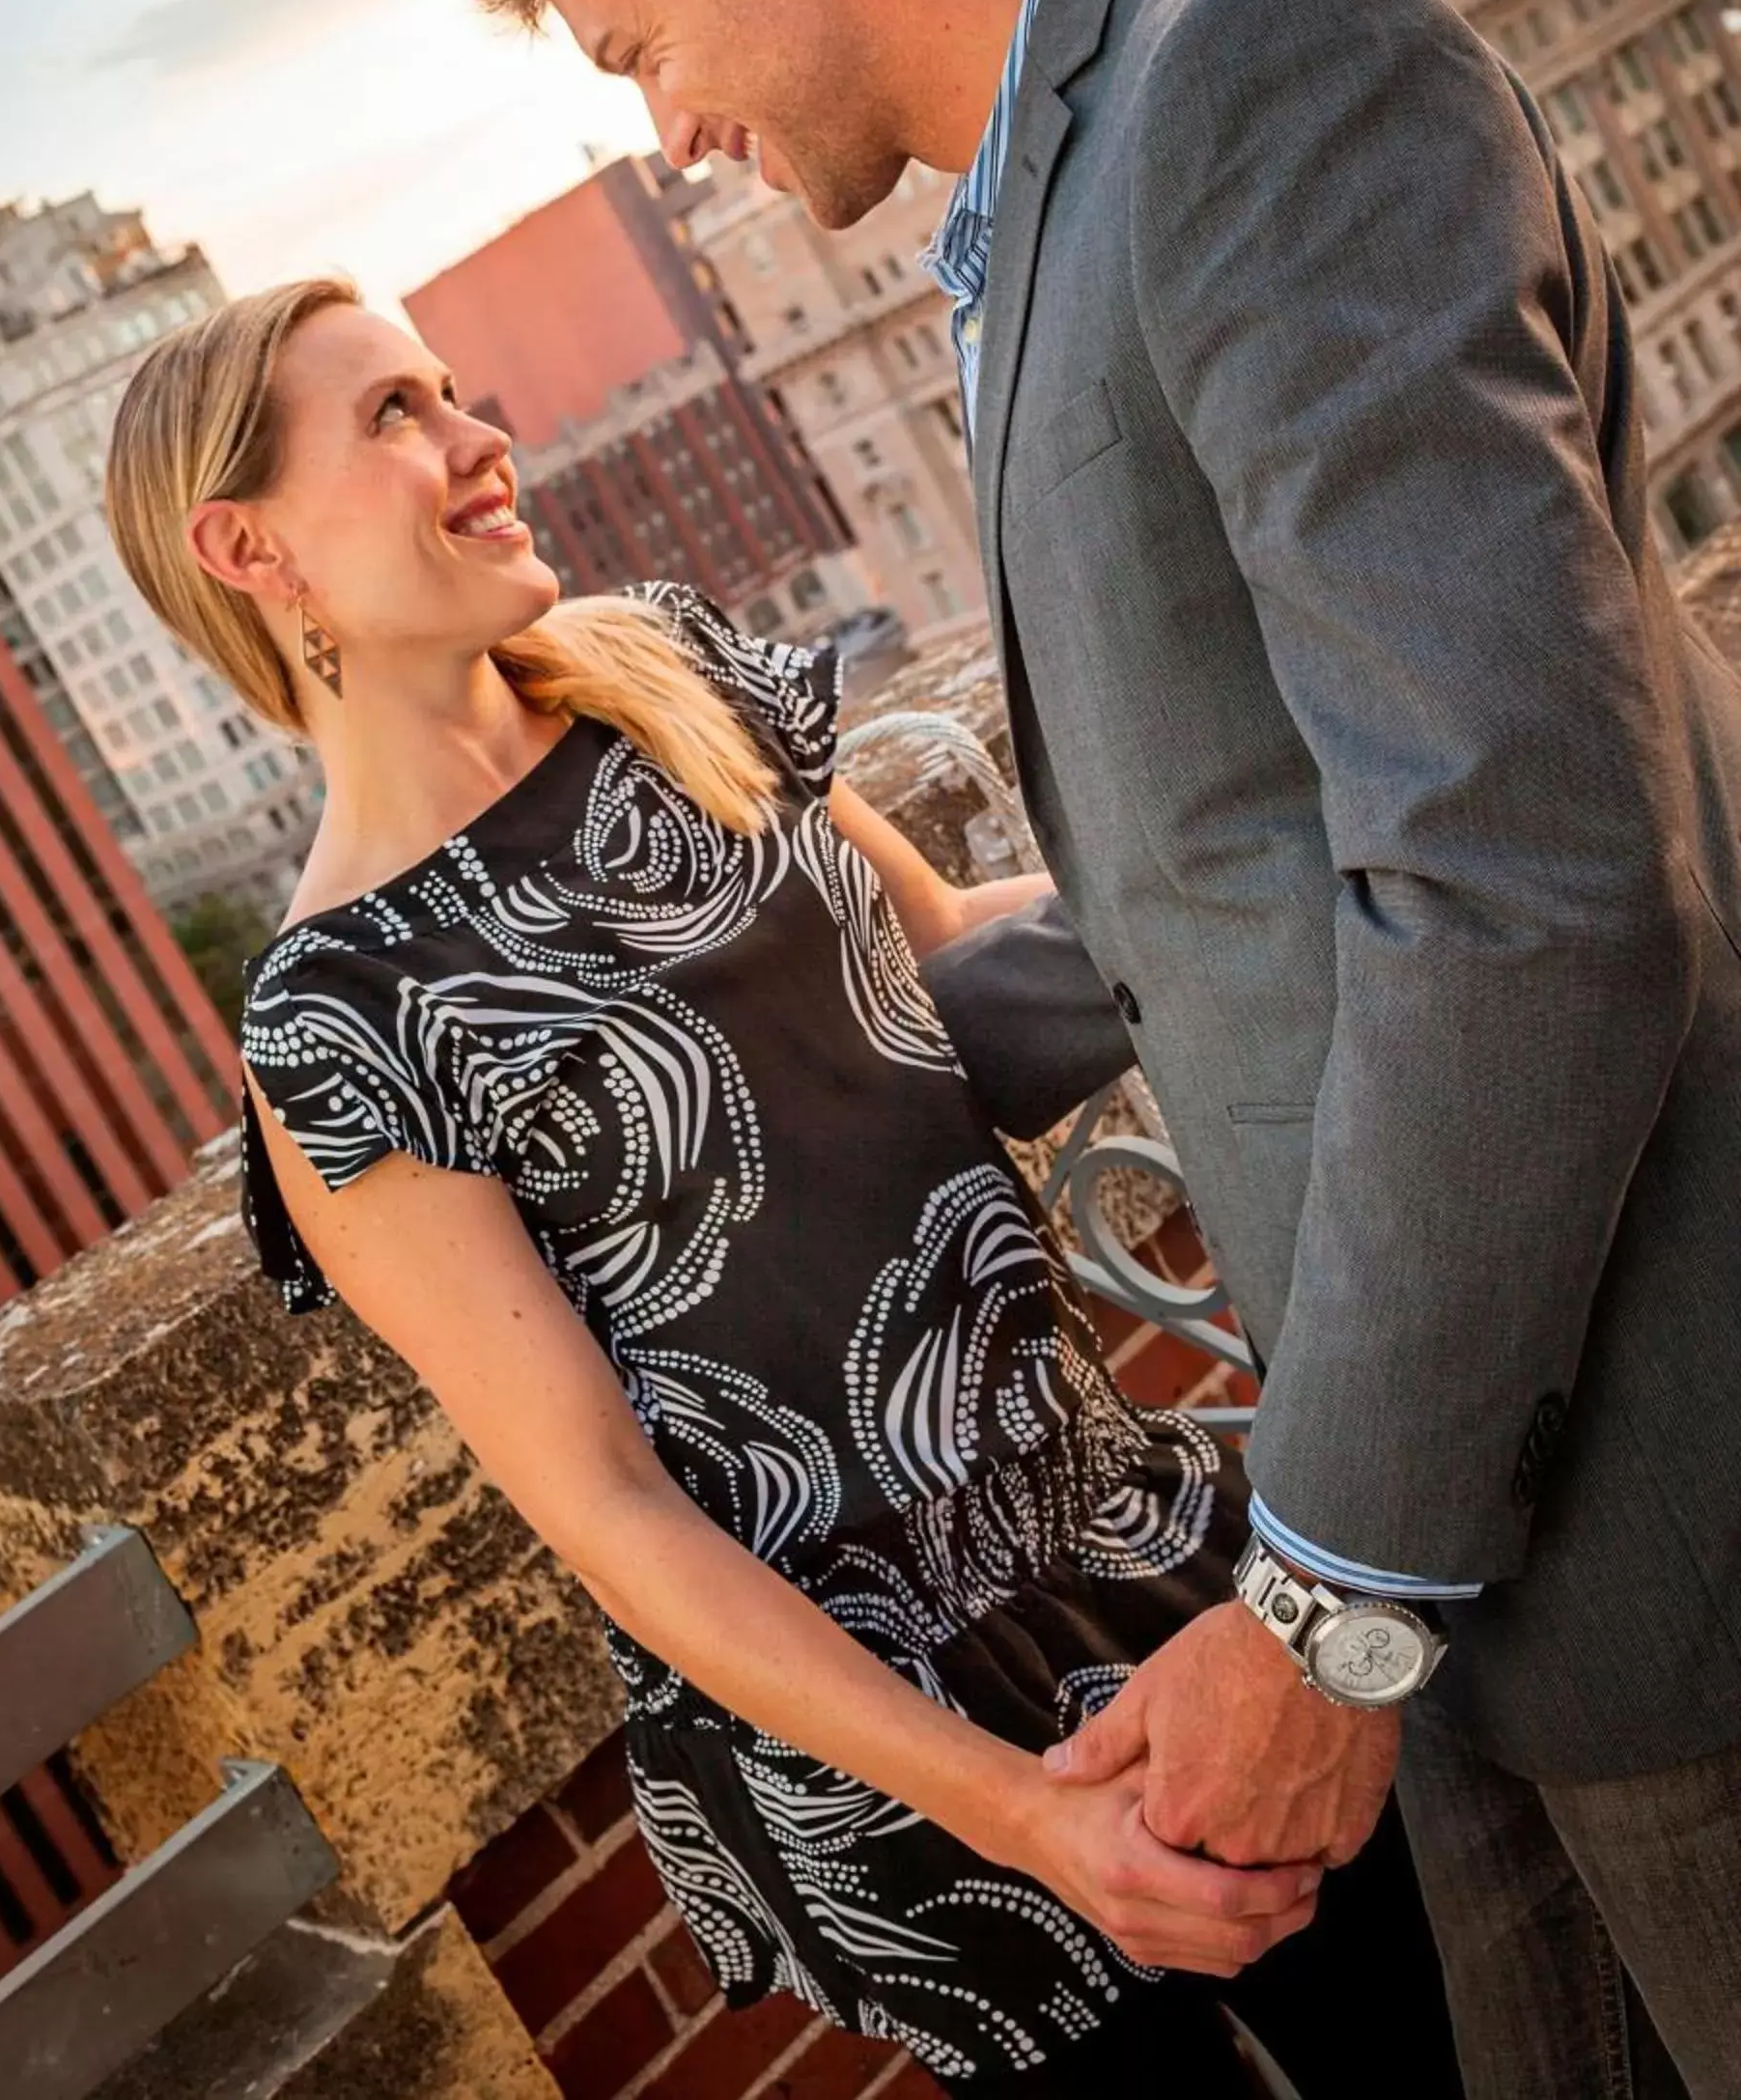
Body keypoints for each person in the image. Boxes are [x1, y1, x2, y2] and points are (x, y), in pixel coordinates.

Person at [450, 0, 1741, 2100]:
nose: (671, 130)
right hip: (1465, 1505)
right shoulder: (1037, 212)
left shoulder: (1243, 82)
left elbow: (1522, 883)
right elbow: (1227, 878)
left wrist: (1333, 1603)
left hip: (1653, 1507)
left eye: (641, 54)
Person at [104, 279, 1459, 2097]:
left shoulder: (656, 675)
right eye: (396, 419)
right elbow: (606, 1505)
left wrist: (1325, 875)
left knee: (1480, 2030)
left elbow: (940, 967)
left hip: (1127, 1542)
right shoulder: (343, 1021)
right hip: (900, 1762)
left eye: (452, 388)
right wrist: (1023, 1818)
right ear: (245, 544)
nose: (480, 439)